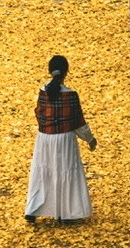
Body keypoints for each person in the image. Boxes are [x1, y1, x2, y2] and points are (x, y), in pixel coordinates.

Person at [24, 54, 97, 226]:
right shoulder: (70, 95)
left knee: (43, 171)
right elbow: (78, 121)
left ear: (50, 71)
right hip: (65, 139)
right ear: (66, 72)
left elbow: (39, 114)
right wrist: (90, 139)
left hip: (44, 138)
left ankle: (33, 209)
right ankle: (66, 213)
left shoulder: (43, 92)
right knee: (65, 170)